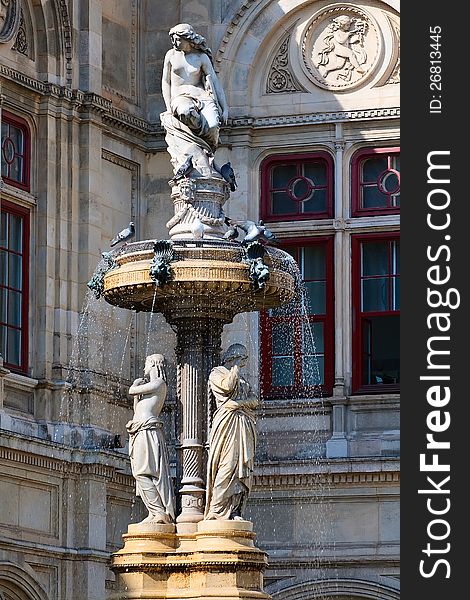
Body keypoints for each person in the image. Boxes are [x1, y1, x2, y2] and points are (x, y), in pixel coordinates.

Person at [161, 23, 229, 175]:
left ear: (188, 39)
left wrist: (225, 108)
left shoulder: (201, 57)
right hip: (181, 98)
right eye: (173, 39)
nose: (174, 43)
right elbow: (166, 82)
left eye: (177, 39)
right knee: (186, 112)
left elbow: (215, 83)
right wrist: (168, 108)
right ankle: (197, 150)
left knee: (212, 125)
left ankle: (205, 152)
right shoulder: (171, 56)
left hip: (202, 97)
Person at [204, 344, 259, 521]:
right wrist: (234, 367)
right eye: (241, 358)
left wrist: (240, 404)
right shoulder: (217, 373)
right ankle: (216, 509)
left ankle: (234, 510)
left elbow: (255, 400)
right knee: (227, 465)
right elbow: (227, 387)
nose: (244, 362)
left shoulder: (241, 378)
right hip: (227, 423)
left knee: (240, 468)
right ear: (233, 357)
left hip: (243, 424)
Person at [126, 354, 175, 524]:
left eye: (146, 364)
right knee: (140, 473)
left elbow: (132, 390)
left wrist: (135, 385)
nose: (144, 368)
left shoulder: (159, 383)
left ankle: (160, 512)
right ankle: (154, 512)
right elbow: (137, 408)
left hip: (148, 432)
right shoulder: (150, 388)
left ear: (154, 364)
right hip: (140, 431)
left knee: (144, 472)